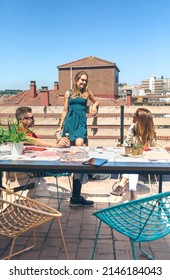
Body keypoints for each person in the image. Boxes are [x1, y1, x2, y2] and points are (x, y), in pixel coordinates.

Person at [56, 71, 110, 207]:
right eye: (82, 80)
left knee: (79, 147)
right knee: (75, 157)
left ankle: (76, 194)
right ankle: (76, 194)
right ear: (76, 80)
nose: (84, 82)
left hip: (80, 124)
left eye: (86, 80)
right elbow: (64, 110)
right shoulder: (68, 93)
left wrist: (94, 106)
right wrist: (60, 126)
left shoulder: (87, 93)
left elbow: (96, 101)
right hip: (70, 124)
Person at [111, 107, 156, 200]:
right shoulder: (133, 127)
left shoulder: (151, 132)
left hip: (146, 161)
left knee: (133, 165)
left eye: (135, 115)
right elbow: (127, 143)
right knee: (133, 164)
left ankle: (122, 184)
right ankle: (132, 192)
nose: (133, 116)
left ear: (142, 119)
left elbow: (151, 149)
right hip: (133, 158)